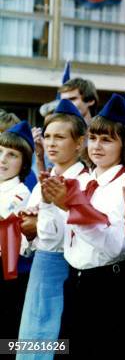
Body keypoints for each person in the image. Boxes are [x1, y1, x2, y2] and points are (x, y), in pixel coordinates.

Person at [44, 94, 125, 359]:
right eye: (94, 138)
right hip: (76, 280)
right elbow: (58, 237)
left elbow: (115, 245)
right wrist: (48, 206)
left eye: (108, 140)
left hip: (109, 285)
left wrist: (72, 209)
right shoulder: (85, 180)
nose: (97, 146)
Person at [17, 100, 88, 360]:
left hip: (65, 269)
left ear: (79, 143)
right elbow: (31, 240)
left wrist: (41, 223)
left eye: (60, 137)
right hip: (40, 267)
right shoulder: (42, 182)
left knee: (55, 339)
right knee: (32, 336)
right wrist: (27, 231)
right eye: (47, 137)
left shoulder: (84, 181)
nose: (51, 143)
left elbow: (68, 232)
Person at [0, 121, 33, 338]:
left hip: (7, 273)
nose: (3, 159)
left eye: (12, 155)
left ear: (23, 164)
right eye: (1, 151)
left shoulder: (20, 193)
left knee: (6, 337)